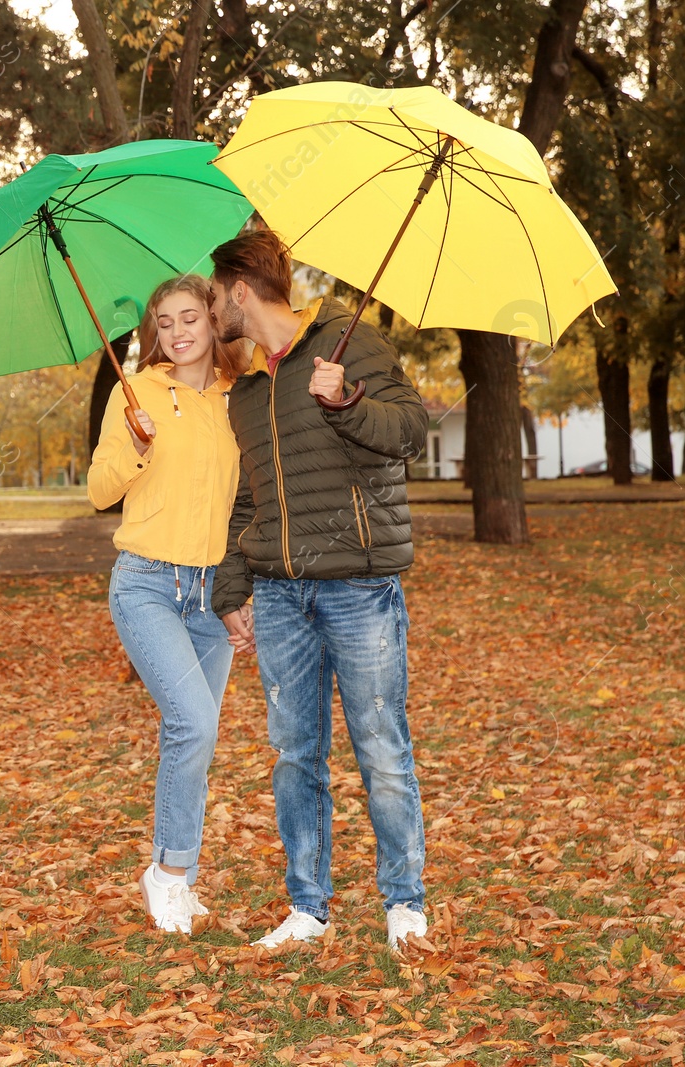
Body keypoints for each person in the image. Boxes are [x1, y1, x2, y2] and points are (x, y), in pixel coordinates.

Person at [207, 229, 431, 953]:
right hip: (278, 597)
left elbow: (411, 429)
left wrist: (348, 401)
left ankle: (405, 903)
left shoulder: (347, 342)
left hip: (360, 590)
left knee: (381, 746)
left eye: (214, 297)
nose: (211, 311)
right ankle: (308, 907)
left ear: (240, 289)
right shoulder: (247, 395)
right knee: (295, 755)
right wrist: (232, 588)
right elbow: (250, 502)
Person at [88, 273, 248, 933]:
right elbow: (100, 490)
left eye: (190, 317)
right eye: (165, 321)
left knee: (195, 736)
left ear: (212, 321)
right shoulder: (138, 393)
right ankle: (169, 872)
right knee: (194, 722)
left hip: (213, 593)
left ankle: (175, 872)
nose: (178, 331)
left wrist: (243, 592)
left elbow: (246, 502)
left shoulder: (237, 398)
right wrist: (139, 448)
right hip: (148, 583)